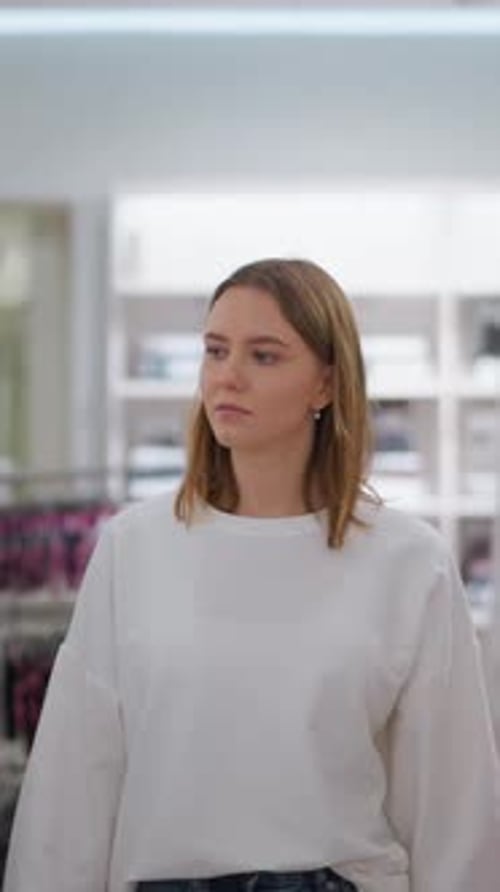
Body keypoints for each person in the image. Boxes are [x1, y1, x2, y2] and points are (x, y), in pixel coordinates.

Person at [4, 258, 500, 892]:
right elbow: (75, 778)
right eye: (215, 351)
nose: (227, 376)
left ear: (326, 382)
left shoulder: (409, 561)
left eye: (264, 356)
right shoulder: (134, 547)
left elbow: (452, 805)